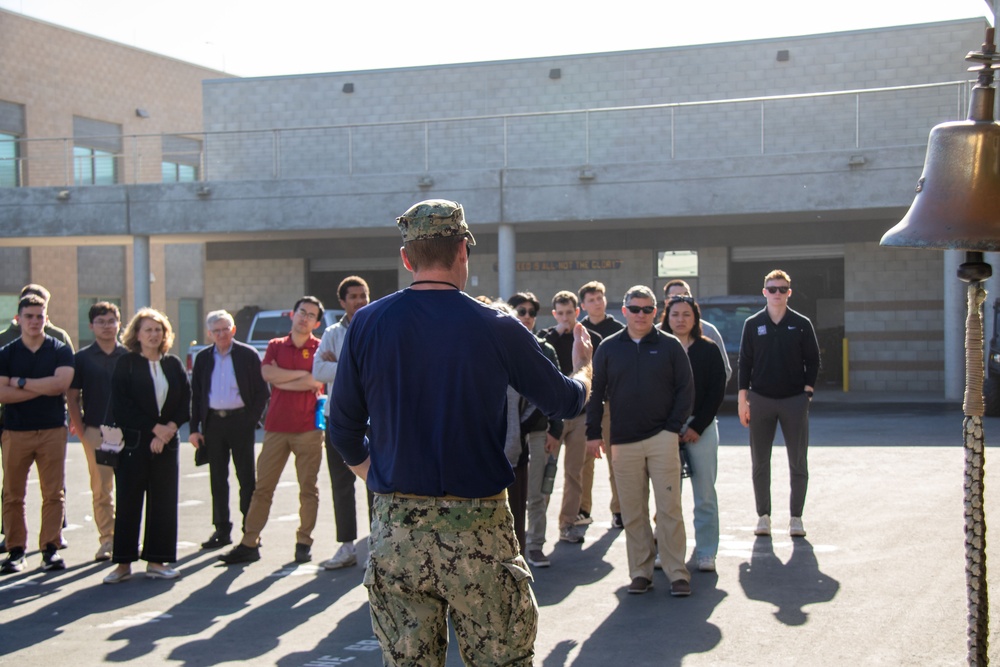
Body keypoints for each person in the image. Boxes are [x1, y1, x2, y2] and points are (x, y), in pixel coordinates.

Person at [329, 199, 592, 666]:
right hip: (480, 533)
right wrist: (585, 369)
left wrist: (379, 478)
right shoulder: (497, 326)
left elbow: (344, 430)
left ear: (407, 258)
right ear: (463, 253)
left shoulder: (368, 323)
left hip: (397, 530)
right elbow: (565, 401)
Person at [586, 285, 694, 596]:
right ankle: (640, 572)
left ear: (655, 312)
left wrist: (672, 428)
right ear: (625, 311)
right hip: (623, 441)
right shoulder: (608, 347)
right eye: (635, 309)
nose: (641, 315)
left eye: (647, 309)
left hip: (662, 437)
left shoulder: (670, 346)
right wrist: (593, 433)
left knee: (669, 509)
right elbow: (595, 393)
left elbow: (685, 390)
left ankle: (677, 574)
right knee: (633, 511)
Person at [219, 297, 325, 565]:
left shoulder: (320, 347)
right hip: (276, 428)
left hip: (309, 429)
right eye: (302, 312)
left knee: (308, 489)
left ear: (317, 322)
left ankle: (304, 541)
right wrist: (301, 377)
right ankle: (249, 541)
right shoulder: (276, 345)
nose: (305, 318)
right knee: (263, 487)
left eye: (311, 315)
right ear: (293, 314)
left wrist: (285, 376)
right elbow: (267, 374)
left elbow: (317, 379)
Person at [103, 308, 190, 583]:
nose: (154, 335)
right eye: (148, 330)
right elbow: (121, 406)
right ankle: (122, 564)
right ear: (136, 335)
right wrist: (155, 429)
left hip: (167, 445)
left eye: (158, 329)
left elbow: (185, 402)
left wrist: (168, 431)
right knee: (129, 501)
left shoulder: (173, 364)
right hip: (134, 444)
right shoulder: (126, 364)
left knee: (163, 502)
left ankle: (157, 561)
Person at [738, 270, 820, 538]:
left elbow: (813, 359)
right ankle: (763, 516)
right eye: (772, 289)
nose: (777, 294)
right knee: (760, 461)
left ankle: (796, 518)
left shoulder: (801, 323)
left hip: (794, 400)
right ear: (764, 292)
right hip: (760, 399)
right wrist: (743, 400)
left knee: (798, 461)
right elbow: (745, 363)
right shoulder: (753, 324)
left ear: (789, 292)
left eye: (782, 289)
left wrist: (807, 392)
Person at [0, 294, 75, 573]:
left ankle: (50, 550)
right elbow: (1, 394)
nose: (34, 321)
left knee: (53, 493)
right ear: (18, 319)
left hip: (52, 429)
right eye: (29, 316)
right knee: (12, 494)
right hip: (16, 431)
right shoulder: (7, 353)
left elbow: (60, 385)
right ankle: (16, 551)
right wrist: (41, 386)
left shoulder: (59, 349)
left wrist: (20, 383)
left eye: (39, 316)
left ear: (46, 318)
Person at [189, 310, 269, 550]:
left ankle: (250, 529)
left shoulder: (247, 354)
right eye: (216, 331)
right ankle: (222, 529)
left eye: (226, 329)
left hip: (241, 422)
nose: (222, 334)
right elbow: (196, 395)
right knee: (217, 479)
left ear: (233, 330)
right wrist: (195, 428)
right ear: (209, 333)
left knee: (246, 478)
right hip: (214, 423)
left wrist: (251, 420)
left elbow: (261, 393)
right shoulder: (204, 358)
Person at [661, 295, 726, 572]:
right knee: (667, 498)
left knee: (705, 495)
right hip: (666, 431)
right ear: (667, 317)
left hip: (702, 429)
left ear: (695, 318)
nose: (680, 319)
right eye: (675, 314)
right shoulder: (659, 349)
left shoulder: (708, 349)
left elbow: (717, 390)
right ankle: (667, 553)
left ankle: (706, 552)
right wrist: (670, 427)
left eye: (686, 314)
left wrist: (697, 426)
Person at [312, 276, 374, 570]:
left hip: (374, 420)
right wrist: (353, 366)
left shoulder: (377, 326)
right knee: (341, 484)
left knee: (377, 483)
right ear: (342, 302)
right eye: (353, 296)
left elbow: (379, 368)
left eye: (363, 295)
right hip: (339, 419)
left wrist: (339, 364)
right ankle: (347, 546)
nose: (360, 300)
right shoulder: (332, 333)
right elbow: (318, 371)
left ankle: (379, 545)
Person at [67, 302, 127, 562]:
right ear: (91, 326)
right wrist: (81, 430)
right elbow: (72, 397)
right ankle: (108, 540)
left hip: (128, 432)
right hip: (95, 431)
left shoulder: (130, 355)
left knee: (129, 488)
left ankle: (127, 539)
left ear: (119, 323)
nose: (107, 326)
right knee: (102, 489)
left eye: (111, 321)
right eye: (101, 322)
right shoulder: (82, 358)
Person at [507, 292, 563, 568]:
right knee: (509, 493)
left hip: (539, 433)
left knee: (537, 493)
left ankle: (536, 545)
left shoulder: (546, 349)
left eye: (531, 312)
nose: (527, 316)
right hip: (506, 435)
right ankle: (510, 545)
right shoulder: (501, 348)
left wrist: (556, 429)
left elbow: (557, 392)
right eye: (521, 311)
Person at [541, 291, 602, 544]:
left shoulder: (591, 339)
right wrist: (556, 334)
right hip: (553, 416)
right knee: (544, 473)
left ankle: (568, 524)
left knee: (574, 473)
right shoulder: (544, 339)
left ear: (578, 312)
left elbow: (596, 380)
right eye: (560, 313)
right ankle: (536, 531)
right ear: (555, 314)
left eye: (570, 313)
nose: (565, 318)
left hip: (580, 415)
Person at [578, 280, 624, 529]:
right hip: (586, 404)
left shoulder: (618, 329)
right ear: (583, 305)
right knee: (584, 462)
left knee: (616, 460)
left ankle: (619, 510)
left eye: (600, 298)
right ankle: (583, 509)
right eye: (591, 300)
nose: (597, 303)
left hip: (612, 403)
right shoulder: (579, 330)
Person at [663, 279, 731, 383]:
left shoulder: (709, 331)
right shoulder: (657, 332)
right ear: (666, 301)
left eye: (686, 295)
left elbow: (724, 371)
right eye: (675, 296)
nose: (681, 299)